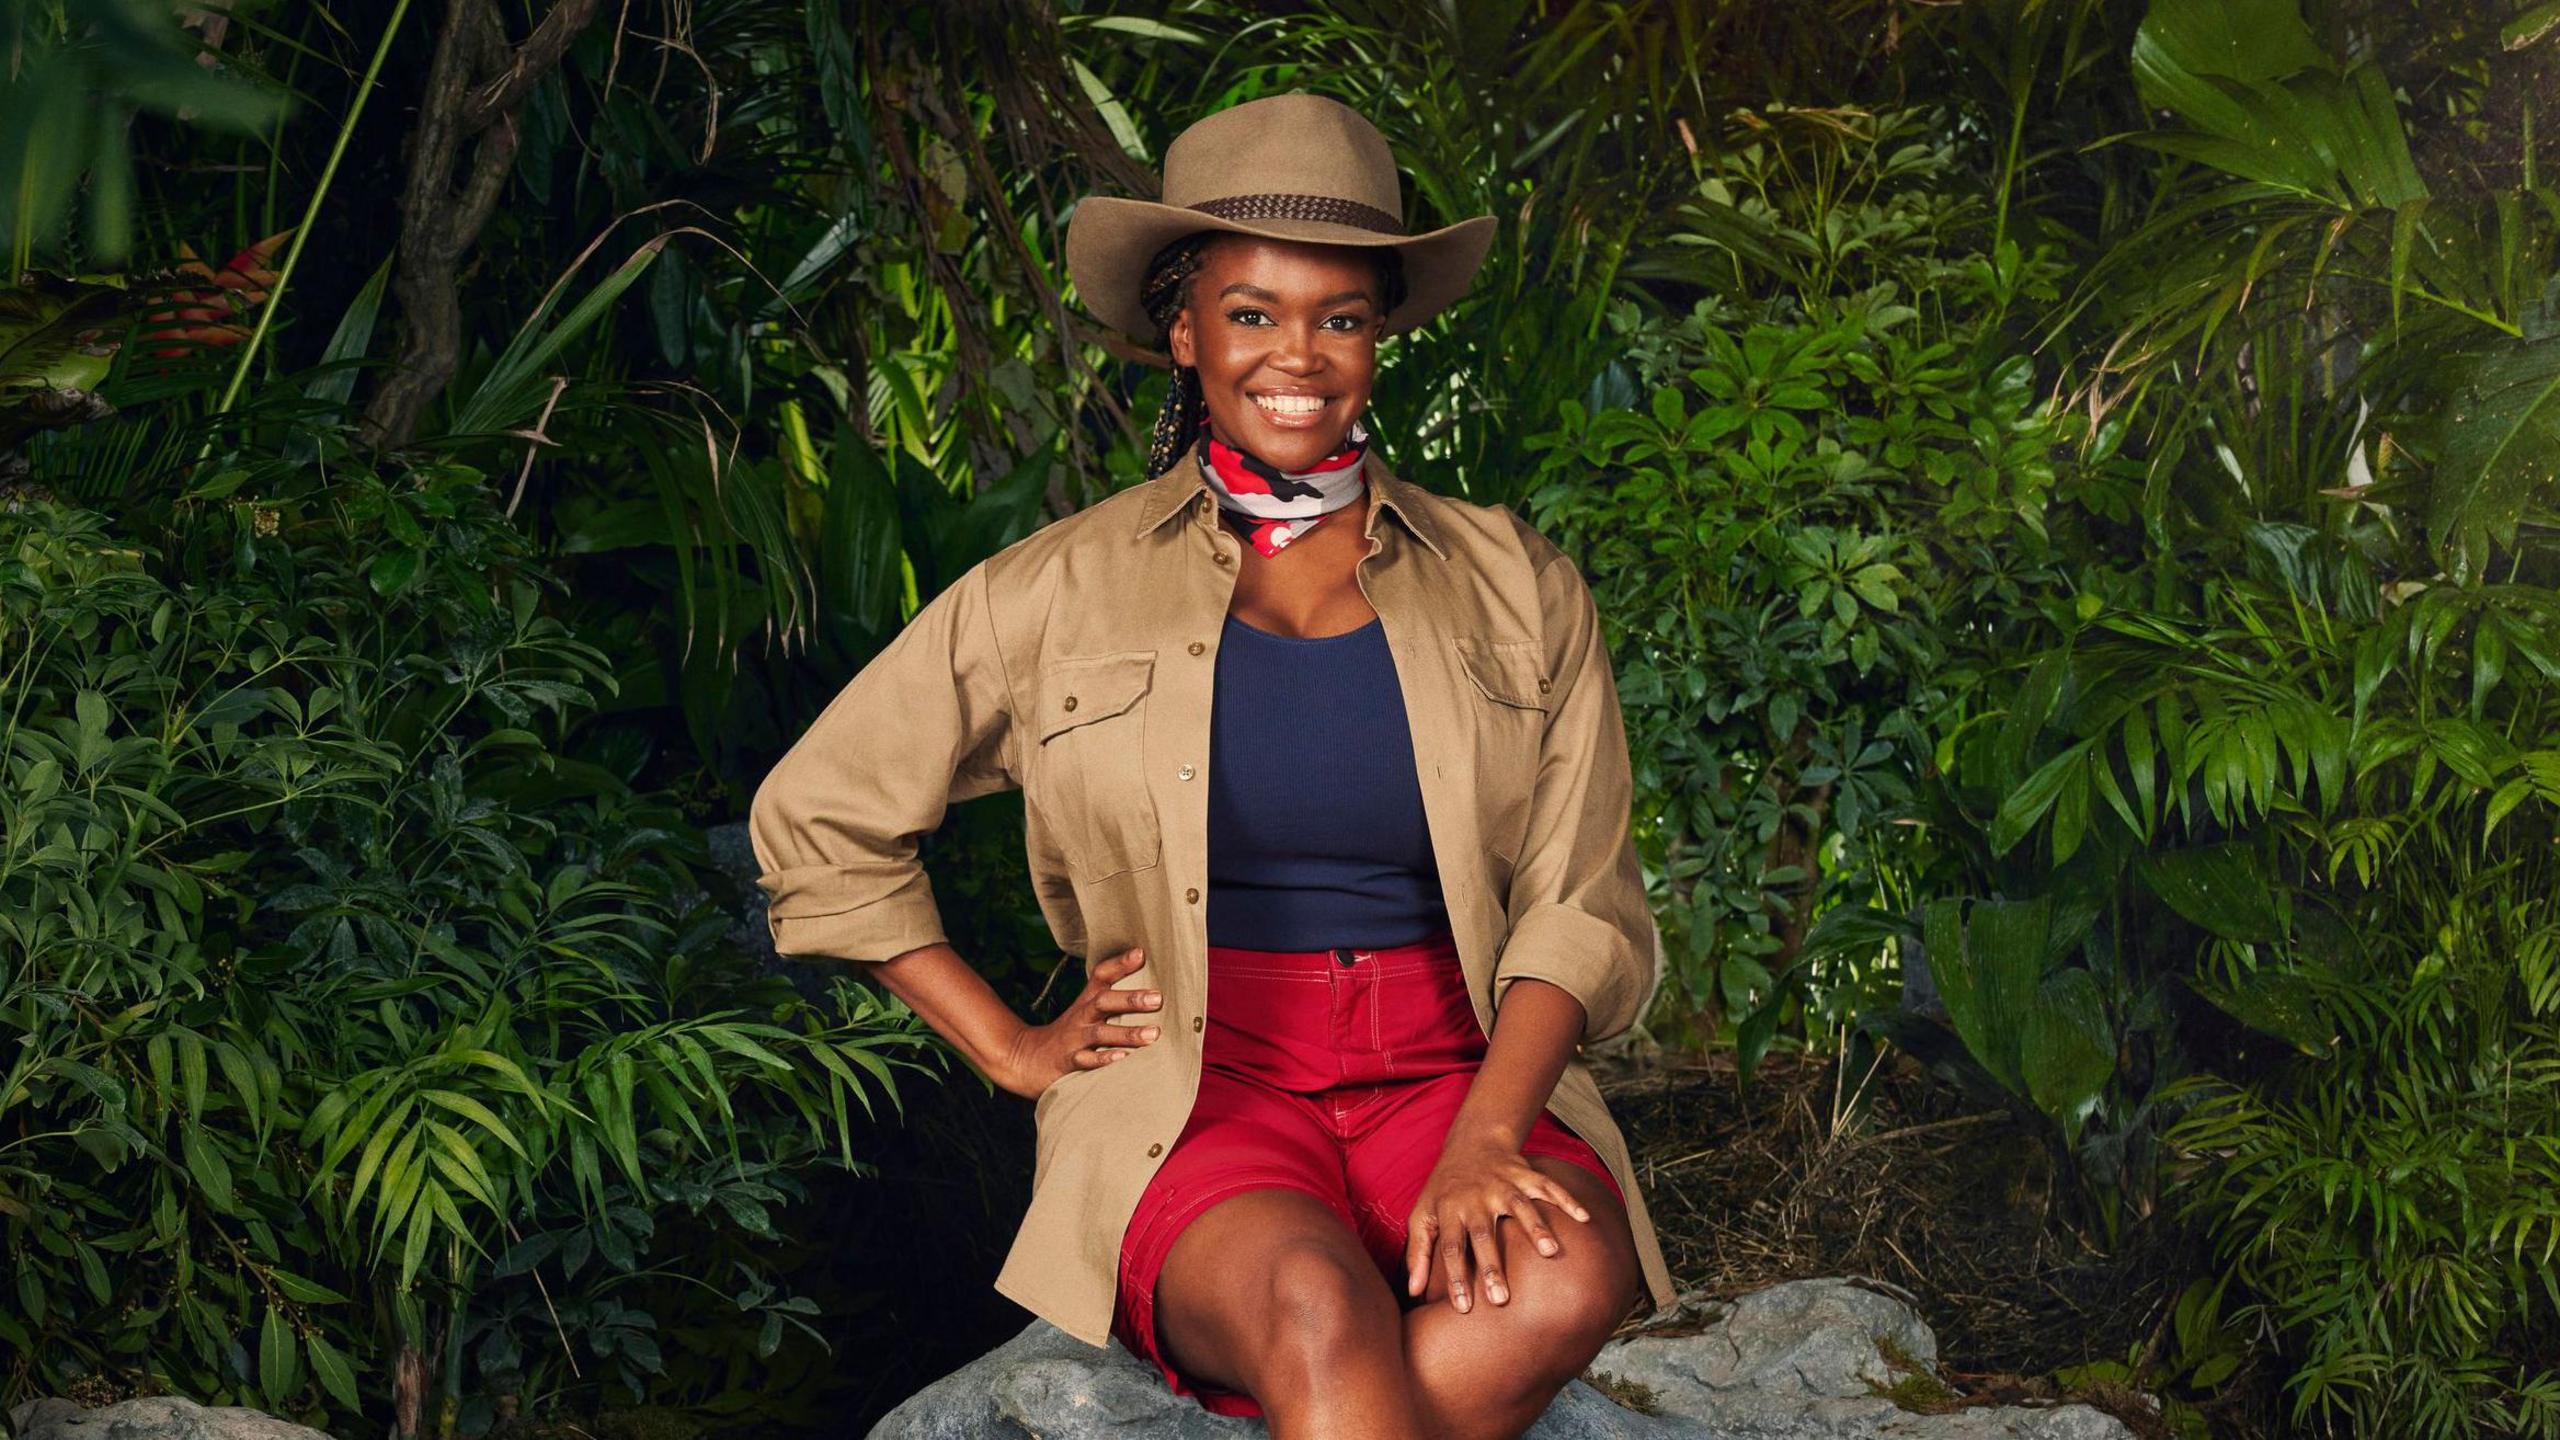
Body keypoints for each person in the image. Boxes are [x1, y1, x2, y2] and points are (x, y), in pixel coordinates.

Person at [751, 91, 1675, 1438]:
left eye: (1339, 315)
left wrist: (1488, 1134)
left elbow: (1581, 899)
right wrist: (1013, 1047)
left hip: (1457, 1067)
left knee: (1553, 1280)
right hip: (1201, 1086)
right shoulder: (1056, 591)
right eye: (1251, 312)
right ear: (1183, 333)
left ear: (1377, 337)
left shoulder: (1515, 584)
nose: (1296, 353)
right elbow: (819, 815)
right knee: (1312, 1308)